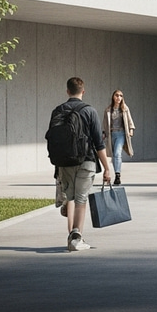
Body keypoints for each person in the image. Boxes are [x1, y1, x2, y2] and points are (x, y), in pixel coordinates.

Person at [48, 77, 110, 251]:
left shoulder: (57, 111)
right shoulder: (89, 111)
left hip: (64, 162)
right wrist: (107, 167)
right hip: (86, 160)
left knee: (70, 197)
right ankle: (76, 238)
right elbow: (99, 143)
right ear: (83, 91)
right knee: (81, 199)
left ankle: (72, 233)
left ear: (67, 91)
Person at [103, 89, 135, 186]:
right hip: (111, 133)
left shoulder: (125, 109)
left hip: (121, 133)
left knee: (117, 153)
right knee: (113, 155)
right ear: (113, 97)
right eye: (117, 95)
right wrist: (104, 133)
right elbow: (105, 123)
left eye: (121, 96)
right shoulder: (108, 110)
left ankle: (117, 175)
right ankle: (116, 172)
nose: (119, 97)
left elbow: (130, 120)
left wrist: (131, 130)